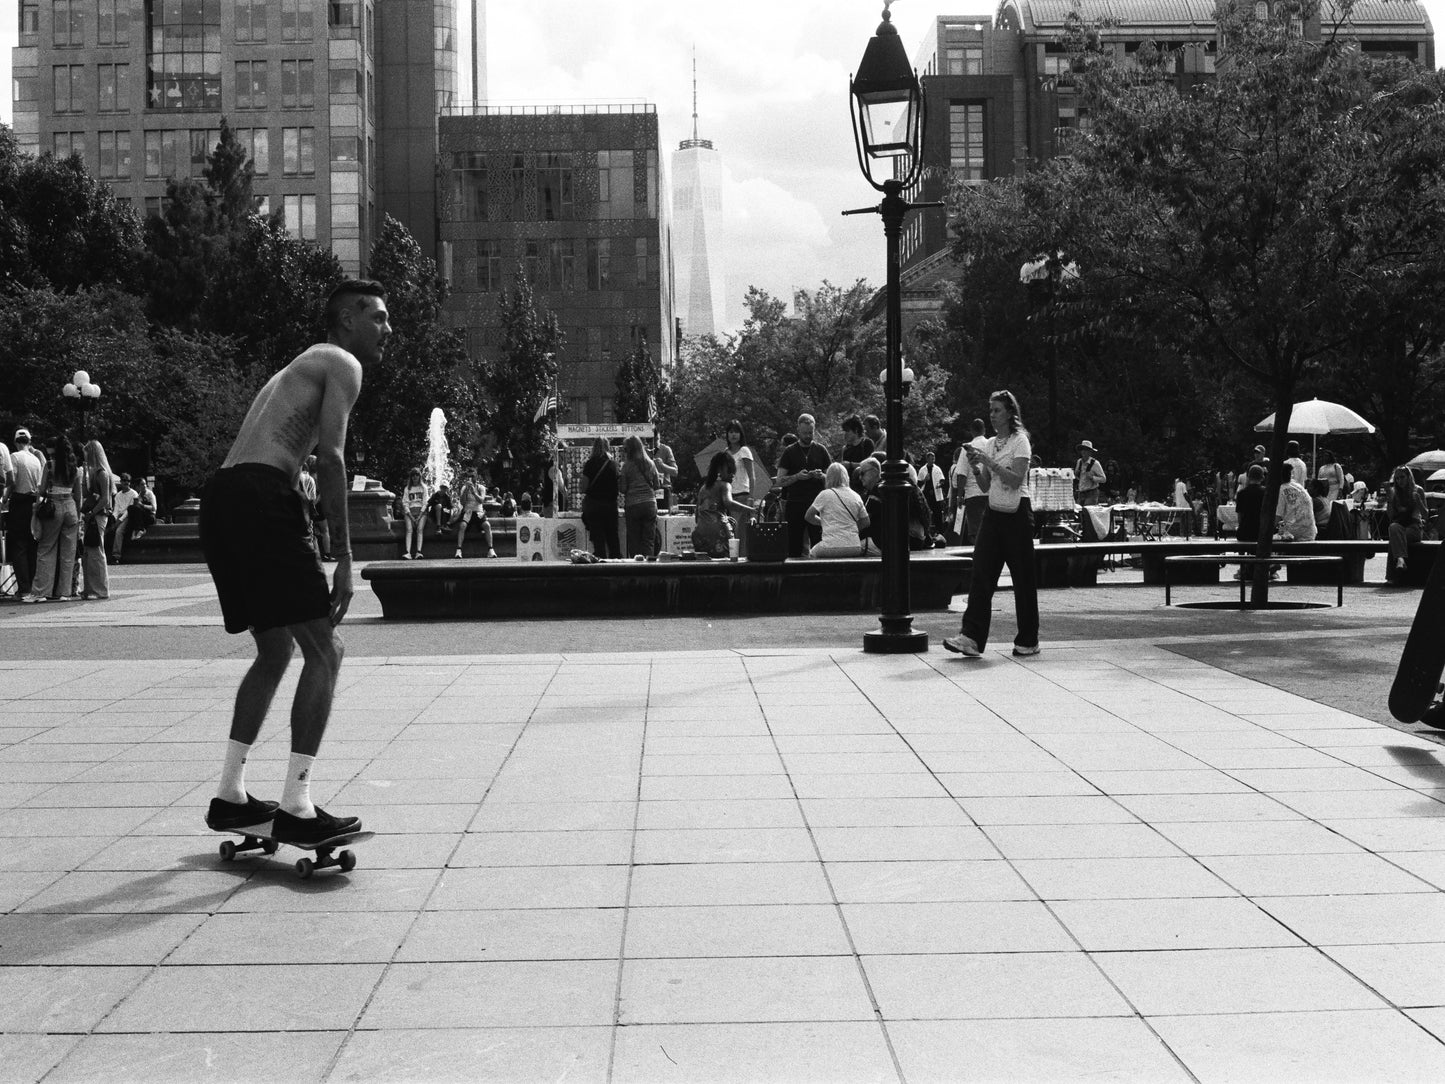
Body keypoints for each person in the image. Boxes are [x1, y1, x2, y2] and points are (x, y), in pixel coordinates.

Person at [198, 278, 388, 845]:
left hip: (223, 497)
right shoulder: (342, 362)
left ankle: (230, 795)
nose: (388, 329)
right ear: (347, 320)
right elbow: (331, 458)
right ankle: (297, 806)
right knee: (326, 649)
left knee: (276, 649)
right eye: (378, 317)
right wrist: (345, 557)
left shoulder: (296, 368)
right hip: (261, 496)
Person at [946, 390, 1039, 658]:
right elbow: (986, 485)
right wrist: (976, 467)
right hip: (994, 511)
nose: (992, 415)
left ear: (1010, 412)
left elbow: (1016, 480)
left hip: (1018, 513)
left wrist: (988, 461)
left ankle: (1028, 639)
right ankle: (971, 637)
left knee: (1022, 577)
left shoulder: (1020, 441)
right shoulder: (990, 444)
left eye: (997, 410)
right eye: (990, 410)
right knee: (981, 572)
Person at [23, 436, 82, 603]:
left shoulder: (49, 466)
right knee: (68, 553)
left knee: (46, 549)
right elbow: (78, 496)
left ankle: (41, 592)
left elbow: (42, 491)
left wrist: (37, 498)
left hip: (54, 506)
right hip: (70, 507)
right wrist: (78, 516)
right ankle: (65, 592)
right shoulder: (75, 468)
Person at [776, 413, 832, 557]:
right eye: (805, 433)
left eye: (810, 433)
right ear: (798, 431)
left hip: (817, 503)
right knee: (793, 547)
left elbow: (833, 479)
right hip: (795, 503)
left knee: (819, 544)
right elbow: (779, 480)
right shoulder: (789, 451)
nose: (808, 436)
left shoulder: (821, 450)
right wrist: (797, 477)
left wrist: (822, 476)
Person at [693, 450, 754, 557]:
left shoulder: (703, 487)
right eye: (730, 470)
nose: (733, 475)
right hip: (719, 532)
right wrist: (750, 509)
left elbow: (697, 515)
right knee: (726, 561)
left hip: (699, 533)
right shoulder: (725, 485)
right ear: (719, 470)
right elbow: (728, 503)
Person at [6, 428, 44, 597]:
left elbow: (12, 481)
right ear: (29, 441)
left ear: (15, 442)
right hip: (33, 503)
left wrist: (5, 497)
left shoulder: (14, 457)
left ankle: (24, 588)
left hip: (19, 502)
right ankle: (33, 585)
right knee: (32, 545)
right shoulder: (36, 459)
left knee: (18, 546)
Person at [805, 462, 870, 558]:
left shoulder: (825, 494)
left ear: (828, 478)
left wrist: (825, 523)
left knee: (812, 553)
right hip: (854, 546)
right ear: (846, 477)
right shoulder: (856, 496)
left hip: (830, 546)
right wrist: (849, 528)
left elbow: (808, 516)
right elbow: (866, 521)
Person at [79, 440, 115, 600]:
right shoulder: (94, 473)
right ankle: (90, 588)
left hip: (98, 515)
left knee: (96, 551)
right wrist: (84, 475)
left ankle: (100, 589)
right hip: (94, 515)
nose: (85, 457)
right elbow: (86, 493)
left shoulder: (102, 473)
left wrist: (92, 513)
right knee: (89, 552)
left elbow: (105, 499)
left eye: (86, 453)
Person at [620, 434, 662, 557]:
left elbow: (623, 489)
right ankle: (649, 566)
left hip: (633, 505)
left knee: (634, 541)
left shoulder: (626, 466)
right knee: (649, 540)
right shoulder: (650, 463)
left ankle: (636, 565)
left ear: (629, 450)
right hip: (649, 504)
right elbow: (657, 485)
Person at [580, 438, 621, 558]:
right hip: (611, 505)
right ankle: (616, 564)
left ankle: (600, 563)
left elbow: (583, 488)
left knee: (598, 540)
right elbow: (619, 485)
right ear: (608, 447)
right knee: (613, 539)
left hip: (594, 505)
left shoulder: (589, 464)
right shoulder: (613, 464)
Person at [1387, 465, 1429, 582]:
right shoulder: (1394, 492)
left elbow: (1426, 515)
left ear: (1409, 477)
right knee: (1393, 527)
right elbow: (1390, 517)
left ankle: (1392, 577)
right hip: (1399, 526)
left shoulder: (1418, 490)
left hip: (1414, 527)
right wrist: (1390, 500)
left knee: (1395, 540)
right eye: (1397, 478)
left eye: (1402, 477)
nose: (1400, 481)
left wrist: (1419, 501)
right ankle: (1400, 560)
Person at [952, 417, 989, 544]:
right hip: (990, 493)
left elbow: (962, 474)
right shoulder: (991, 445)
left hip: (973, 495)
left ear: (971, 431)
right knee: (990, 529)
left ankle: (979, 553)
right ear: (984, 430)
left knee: (976, 531)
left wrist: (959, 496)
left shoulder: (967, 448)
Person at [453, 469, 495, 559]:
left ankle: (490, 549)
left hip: (478, 512)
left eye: (472, 476)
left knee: (487, 525)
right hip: (468, 512)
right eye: (469, 476)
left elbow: (481, 500)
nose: (471, 478)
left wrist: (474, 493)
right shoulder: (464, 488)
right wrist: (465, 491)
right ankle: (459, 550)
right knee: (462, 526)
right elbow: (462, 502)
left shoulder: (481, 487)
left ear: (476, 476)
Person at [1275, 463, 1316, 542]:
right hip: (1310, 533)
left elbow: (1277, 518)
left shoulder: (1281, 490)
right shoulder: (1299, 487)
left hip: (1293, 535)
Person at [1235, 464, 1266, 544]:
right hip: (1261, 532)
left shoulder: (1241, 493)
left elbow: (1239, 516)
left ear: (1248, 477)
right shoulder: (1266, 493)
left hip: (1244, 532)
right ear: (1262, 477)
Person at [838, 415, 874, 484]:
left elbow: (870, 465)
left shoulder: (867, 443)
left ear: (856, 430)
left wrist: (850, 465)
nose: (845, 434)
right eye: (844, 431)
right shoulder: (846, 449)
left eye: (847, 431)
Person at [402, 468, 428, 559]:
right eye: (413, 475)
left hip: (421, 511)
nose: (415, 477)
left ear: (420, 476)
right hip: (410, 512)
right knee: (409, 530)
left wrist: (420, 516)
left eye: (417, 475)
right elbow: (405, 503)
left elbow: (425, 503)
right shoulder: (407, 488)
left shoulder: (423, 487)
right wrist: (411, 517)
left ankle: (418, 552)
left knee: (420, 529)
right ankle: (407, 552)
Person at [919, 451, 947, 533]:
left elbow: (942, 480)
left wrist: (940, 484)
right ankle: (926, 532)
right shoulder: (922, 470)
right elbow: (918, 483)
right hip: (926, 495)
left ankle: (940, 532)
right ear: (927, 459)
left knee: (938, 514)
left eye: (934, 458)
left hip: (936, 495)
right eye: (931, 458)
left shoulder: (937, 469)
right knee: (926, 513)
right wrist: (925, 480)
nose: (933, 460)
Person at [1074, 441, 1107, 506]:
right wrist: (1076, 474)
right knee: (1080, 510)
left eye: (1086, 450)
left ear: (1090, 452)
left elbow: (1103, 479)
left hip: (1091, 493)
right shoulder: (1079, 462)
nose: (1083, 452)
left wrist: (1092, 478)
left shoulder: (1095, 463)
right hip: (1081, 492)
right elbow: (1077, 476)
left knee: (1088, 510)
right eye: (1082, 449)